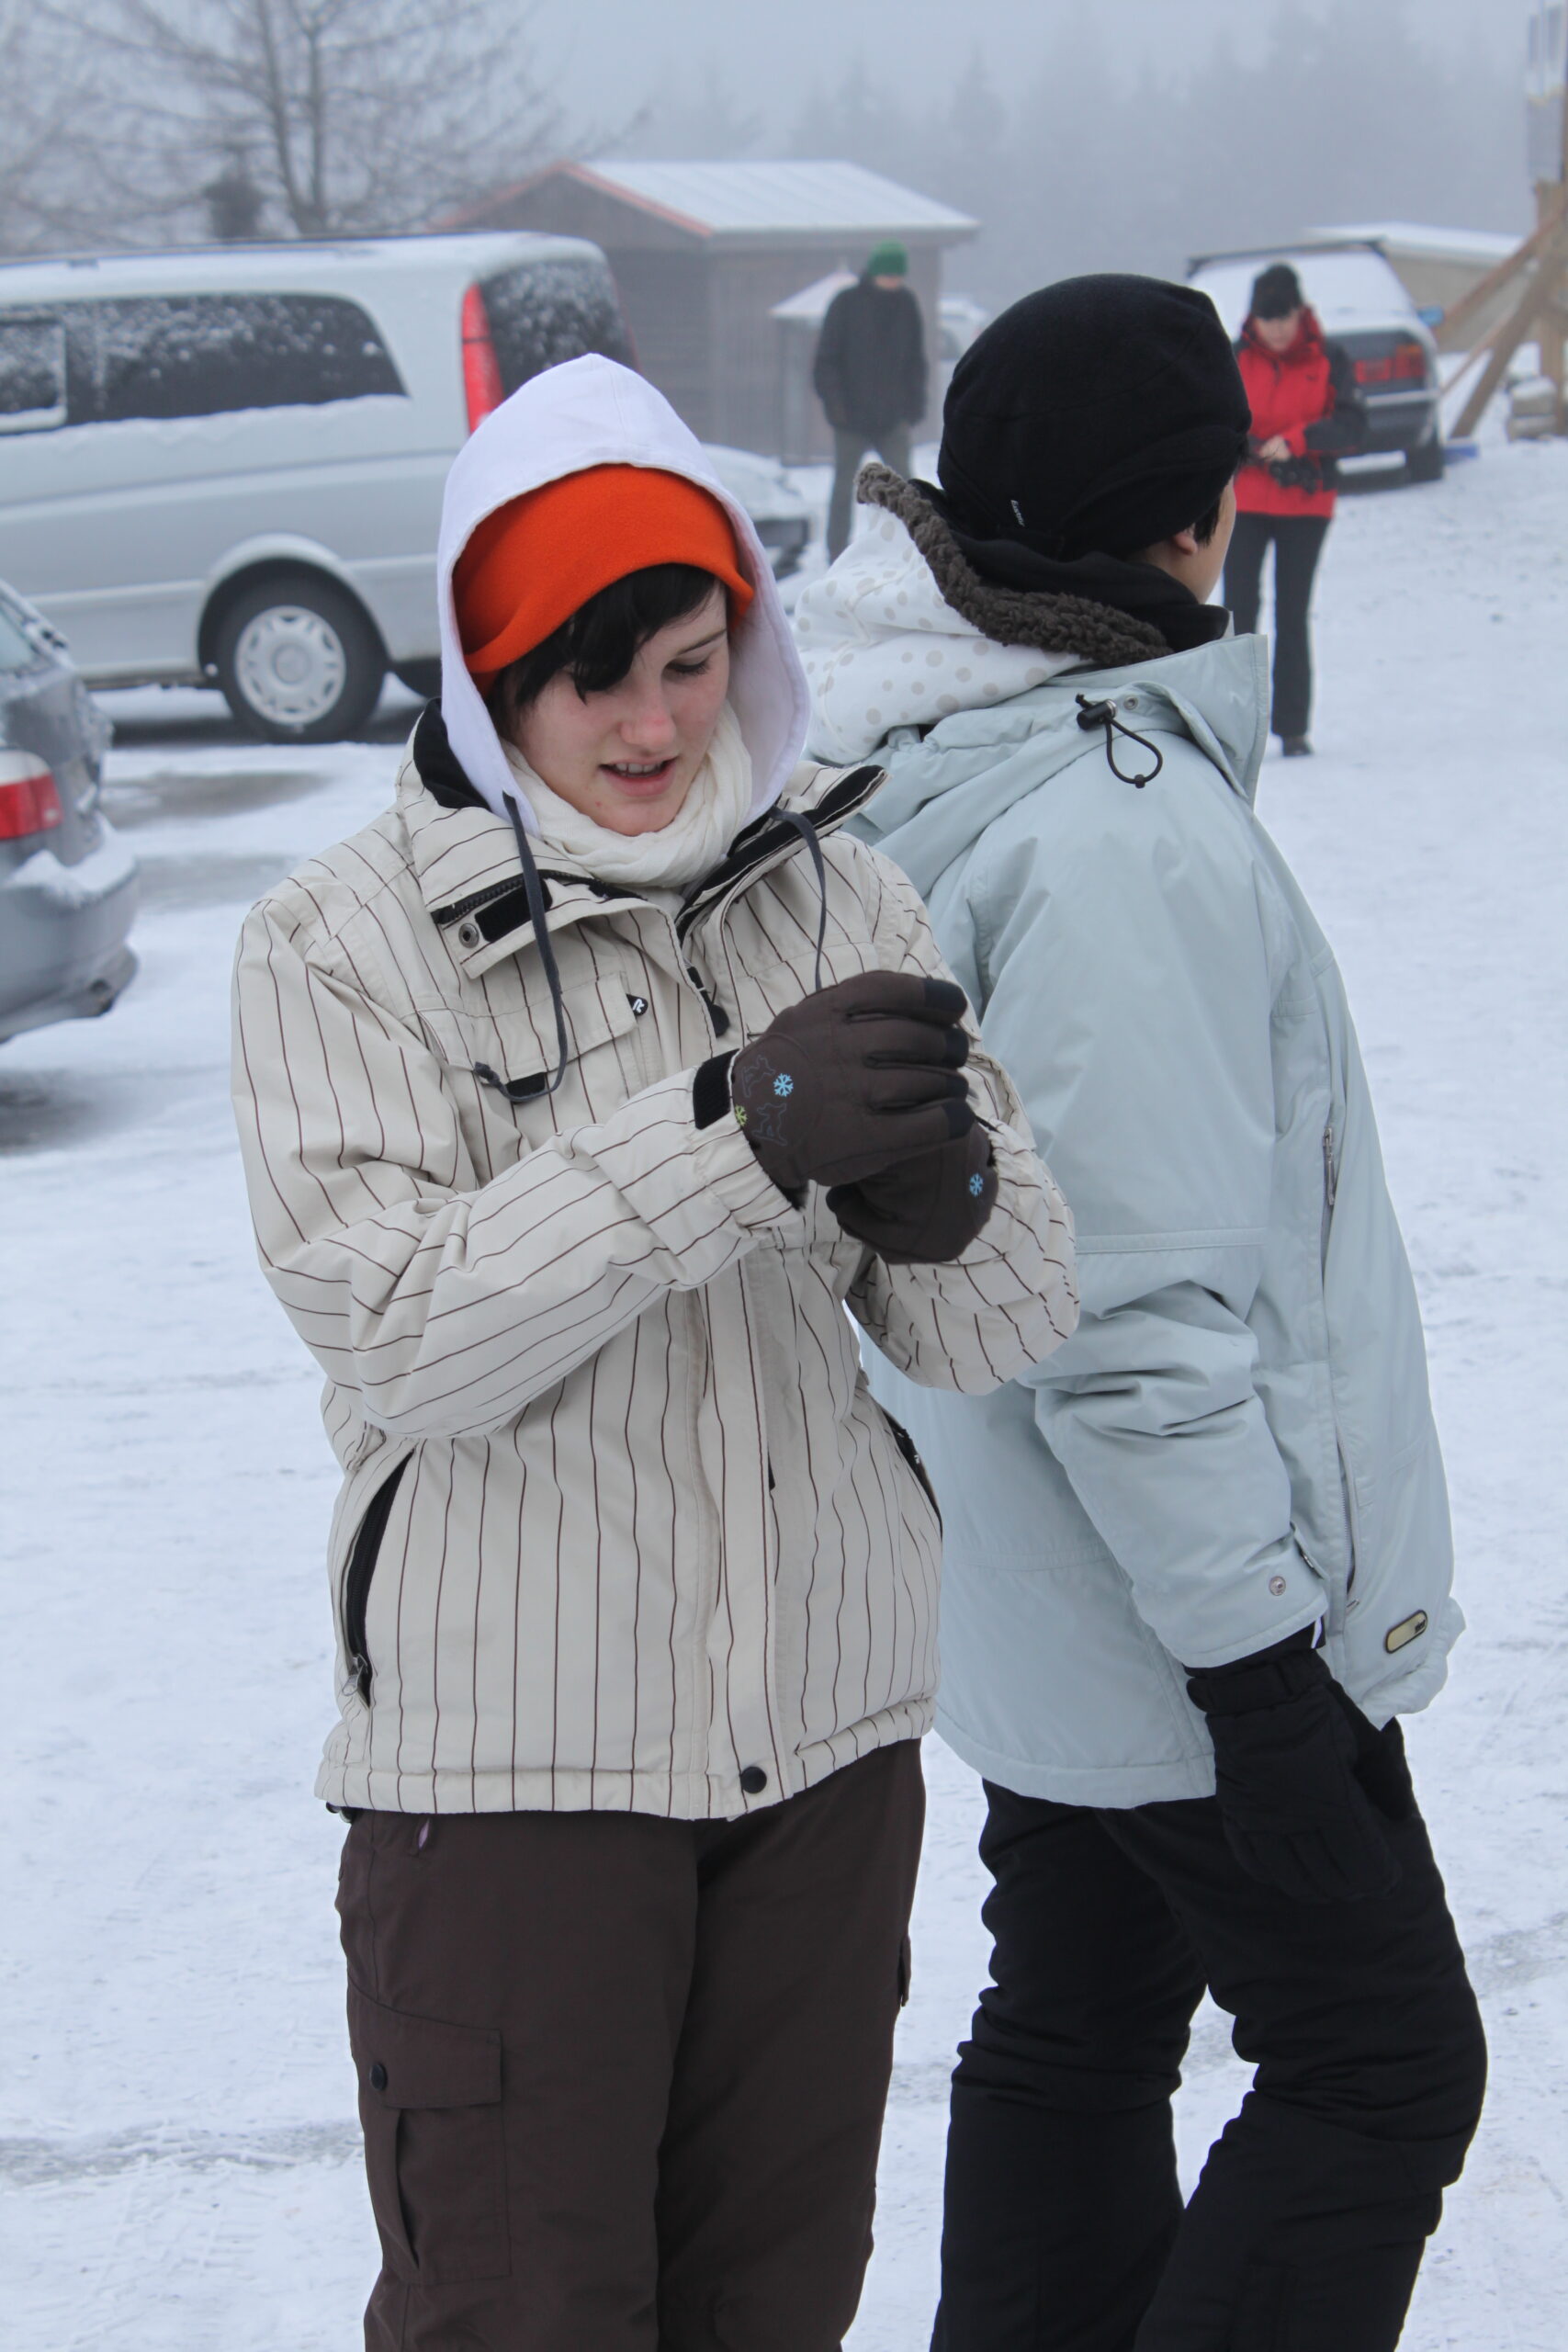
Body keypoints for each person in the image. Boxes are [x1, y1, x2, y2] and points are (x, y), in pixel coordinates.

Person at [231, 352, 1077, 2352]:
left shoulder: (839, 891)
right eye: (585, 677)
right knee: (523, 2313)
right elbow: (402, 1326)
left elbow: (1006, 1322)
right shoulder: (340, 946)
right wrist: (731, 1138)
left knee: (772, 2310)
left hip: (827, 1755)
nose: (649, 725)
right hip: (514, 1786)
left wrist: (944, 1200)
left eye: (690, 663)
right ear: (484, 673)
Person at [795, 275, 1485, 2351]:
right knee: (1379, 2059)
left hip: (1044, 1592)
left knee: (1078, 2017)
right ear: (1196, 513)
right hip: (1177, 1621)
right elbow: (1132, 1321)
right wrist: (1261, 1675)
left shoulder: (933, 757)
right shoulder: (1109, 828)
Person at [1225, 260, 1366, 757]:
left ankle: (1293, 728)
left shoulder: (1330, 357)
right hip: (1244, 503)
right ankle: (1236, 727)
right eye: (1268, 318)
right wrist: (1251, 446)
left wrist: (1300, 441)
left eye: (1284, 317)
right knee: (1239, 613)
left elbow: (1353, 425)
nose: (1278, 328)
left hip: (1307, 505)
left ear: (1300, 312)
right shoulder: (1234, 359)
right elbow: (1210, 421)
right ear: (1253, 318)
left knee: (1292, 612)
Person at [814, 238, 930, 563]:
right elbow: (826, 361)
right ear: (875, 272)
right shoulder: (846, 304)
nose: (893, 282)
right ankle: (835, 553)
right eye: (888, 275)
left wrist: (915, 405)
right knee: (843, 488)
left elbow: (916, 361)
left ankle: (917, 549)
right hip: (850, 417)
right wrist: (836, 406)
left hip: (893, 417)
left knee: (907, 487)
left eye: (898, 276)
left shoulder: (906, 304)